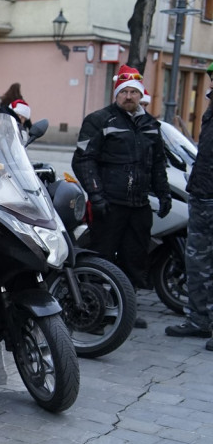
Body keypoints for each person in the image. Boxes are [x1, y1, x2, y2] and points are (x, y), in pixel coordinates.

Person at [72, 64, 171, 330]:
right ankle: (93, 312)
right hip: (109, 204)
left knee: (135, 259)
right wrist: (97, 194)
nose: (129, 96)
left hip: (139, 205)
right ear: (117, 93)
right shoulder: (99, 120)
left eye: (134, 92)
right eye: (124, 91)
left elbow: (158, 164)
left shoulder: (151, 125)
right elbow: (83, 160)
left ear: (141, 96)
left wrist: (163, 194)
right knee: (100, 257)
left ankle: (126, 309)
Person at [166, 61, 213, 347]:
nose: (209, 86)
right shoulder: (210, 112)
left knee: (201, 260)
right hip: (203, 194)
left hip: (208, 196)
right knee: (197, 262)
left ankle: (200, 320)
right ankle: (199, 320)